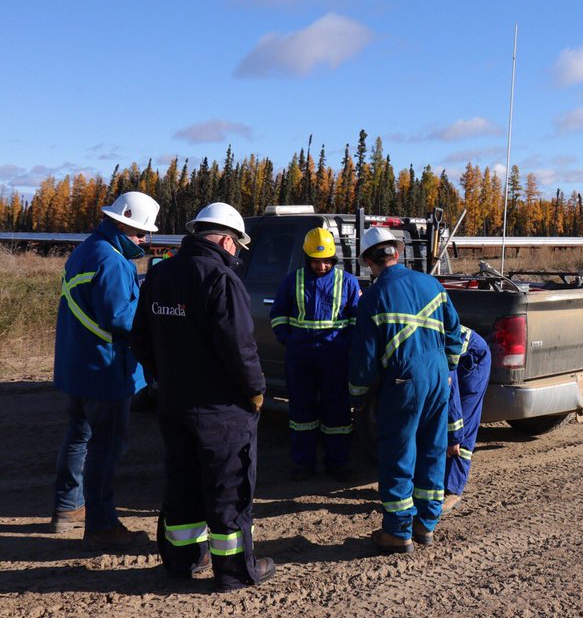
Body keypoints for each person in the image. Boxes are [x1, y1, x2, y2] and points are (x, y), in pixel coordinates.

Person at [130, 202, 275, 592]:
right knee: (229, 487)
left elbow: (140, 339)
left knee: (182, 483)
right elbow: (239, 348)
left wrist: (165, 377)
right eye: (237, 247)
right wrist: (255, 390)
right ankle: (234, 571)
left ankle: (184, 560)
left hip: (174, 403)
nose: (236, 254)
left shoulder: (160, 274)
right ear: (227, 240)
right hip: (221, 410)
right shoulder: (221, 279)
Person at [51, 191, 160, 549]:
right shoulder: (112, 261)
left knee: (79, 437)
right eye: (141, 232)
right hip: (106, 369)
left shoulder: (86, 250)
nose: (144, 239)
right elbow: (120, 317)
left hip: (78, 365)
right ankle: (101, 526)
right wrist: (152, 311)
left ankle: (68, 507)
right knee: (106, 447)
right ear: (122, 224)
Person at [349, 227, 463, 554]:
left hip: (403, 382)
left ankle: (398, 532)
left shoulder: (373, 297)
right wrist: (447, 369)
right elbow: (454, 331)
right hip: (438, 377)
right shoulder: (432, 284)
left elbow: (365, 357)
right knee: (432, 449)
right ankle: (425, 525)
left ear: (368, 261)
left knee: (398, 454)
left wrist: (357, 394)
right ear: (397, 254)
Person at [269, 227, 362, 482]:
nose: (321, 266)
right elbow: (278, 315)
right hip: (300, 358)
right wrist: (288, 339)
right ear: (307, 257)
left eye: (326, 261)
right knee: (302, 412)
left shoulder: (348, 281)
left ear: (333, 258)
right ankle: (303, 463)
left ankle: (338, 463)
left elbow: (356, 319)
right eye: (316, 261)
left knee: (338, 412)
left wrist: (346, 344)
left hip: (335, 358)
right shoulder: (292, 280)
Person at [442, 325, 491, 515]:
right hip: (456, 355)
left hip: (474, 359)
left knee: (463, 423)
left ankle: (452, 490)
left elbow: (451, 393)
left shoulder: (440, 347)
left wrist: (454, 436)